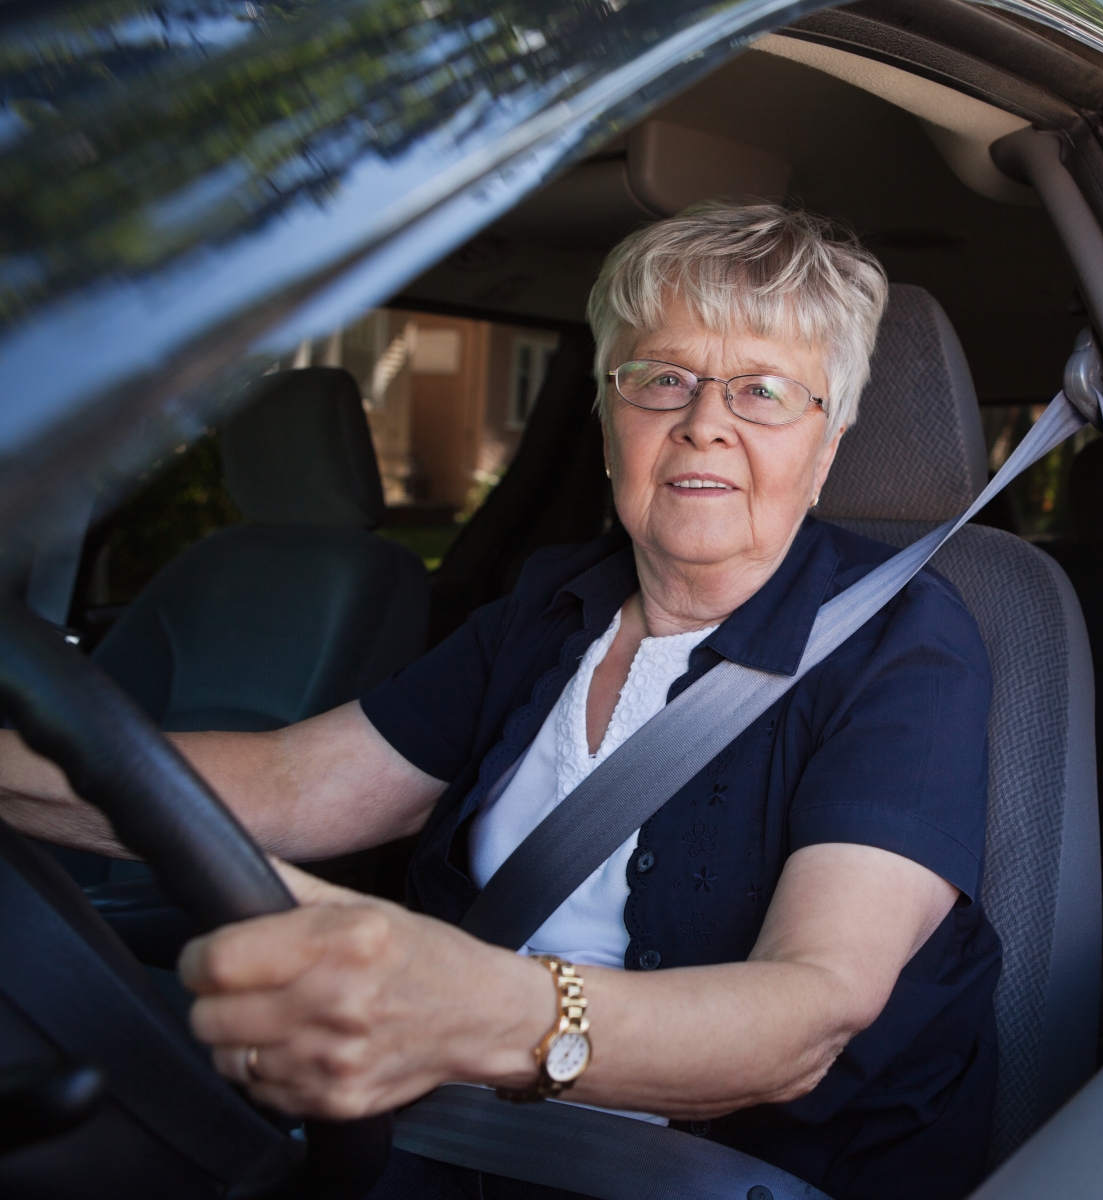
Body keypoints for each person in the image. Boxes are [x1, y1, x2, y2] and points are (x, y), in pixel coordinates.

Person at [0, 204, 1001, 1199]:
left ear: (828, 442)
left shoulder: (904, 645)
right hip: (445, 1134)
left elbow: (807, 1015)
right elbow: (294, 783)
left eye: (764, 392)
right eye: (661, 378)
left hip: (719, 1176)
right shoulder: (553, 602)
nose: (704, 422)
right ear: (609, 419)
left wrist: (480, 1012)